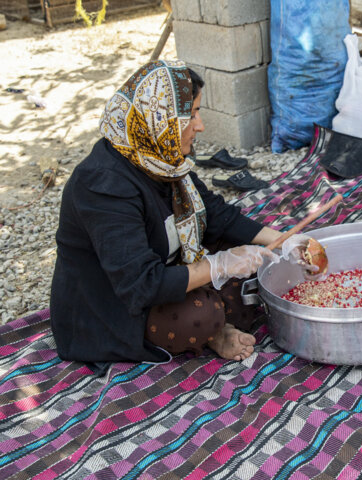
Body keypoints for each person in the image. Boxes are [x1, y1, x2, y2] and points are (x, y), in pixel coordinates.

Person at [50, 60, 315, 367]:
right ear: (159, 119)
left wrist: (285, 241)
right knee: (203, 314)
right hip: (113, 307)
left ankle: (218, 323)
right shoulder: (102, 185)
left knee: (262, 267)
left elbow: (214, 214)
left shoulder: (162, 158)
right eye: (190, 115)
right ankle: (214, 332)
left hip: (165, 267)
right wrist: (219, 266)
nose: (200, 126)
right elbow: (141, 284)